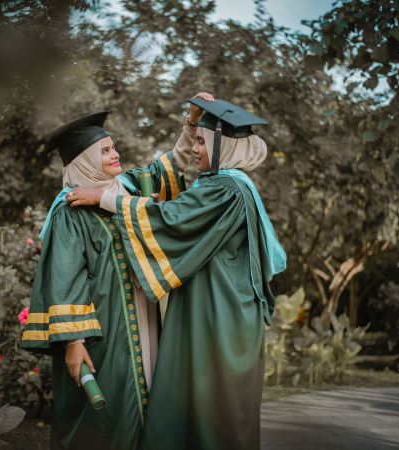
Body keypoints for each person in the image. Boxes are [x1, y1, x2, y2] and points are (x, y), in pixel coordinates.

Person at [66, 98, 287, 450]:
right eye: (196, 141)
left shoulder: (227, 189)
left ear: (222, 148)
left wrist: (103, 198)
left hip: (220, 319)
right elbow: (175, 205)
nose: (196, 150)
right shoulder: (225, 184)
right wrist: (190, 125)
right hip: (216, 313)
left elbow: (171, 219)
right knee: (201, 414)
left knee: (215, 416)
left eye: (203, 142)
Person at [20, 93, 213, 450]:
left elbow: (171, 165)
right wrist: (74, 345)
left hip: (143, 319)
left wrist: (191, 121)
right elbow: (66, 277)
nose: (115, 155)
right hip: (104, 329)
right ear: (85, 161)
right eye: (105, 151)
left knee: (146, 397)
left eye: (113, 147)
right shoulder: (70, 210)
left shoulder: (128, 187)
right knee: (104, 413)